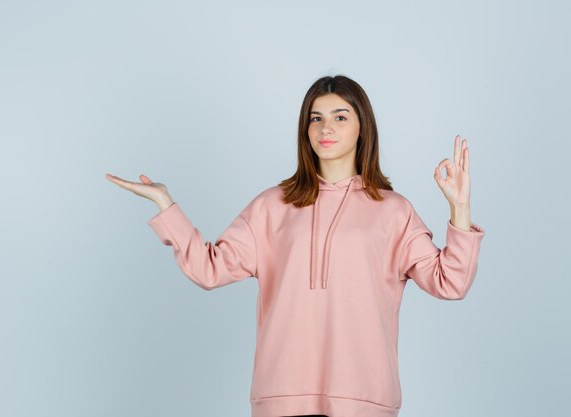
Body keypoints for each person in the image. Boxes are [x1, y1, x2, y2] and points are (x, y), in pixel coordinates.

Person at [106, 75, 486, 417]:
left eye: (340, 117)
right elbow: (210, 269)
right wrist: (165, 205)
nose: (325, 128)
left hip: (365, 399)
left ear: (362, 128)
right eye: (315, 118)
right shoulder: (273, 205)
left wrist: (460, 208)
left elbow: (449, 282)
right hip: (281, 397)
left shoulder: (393, 211)